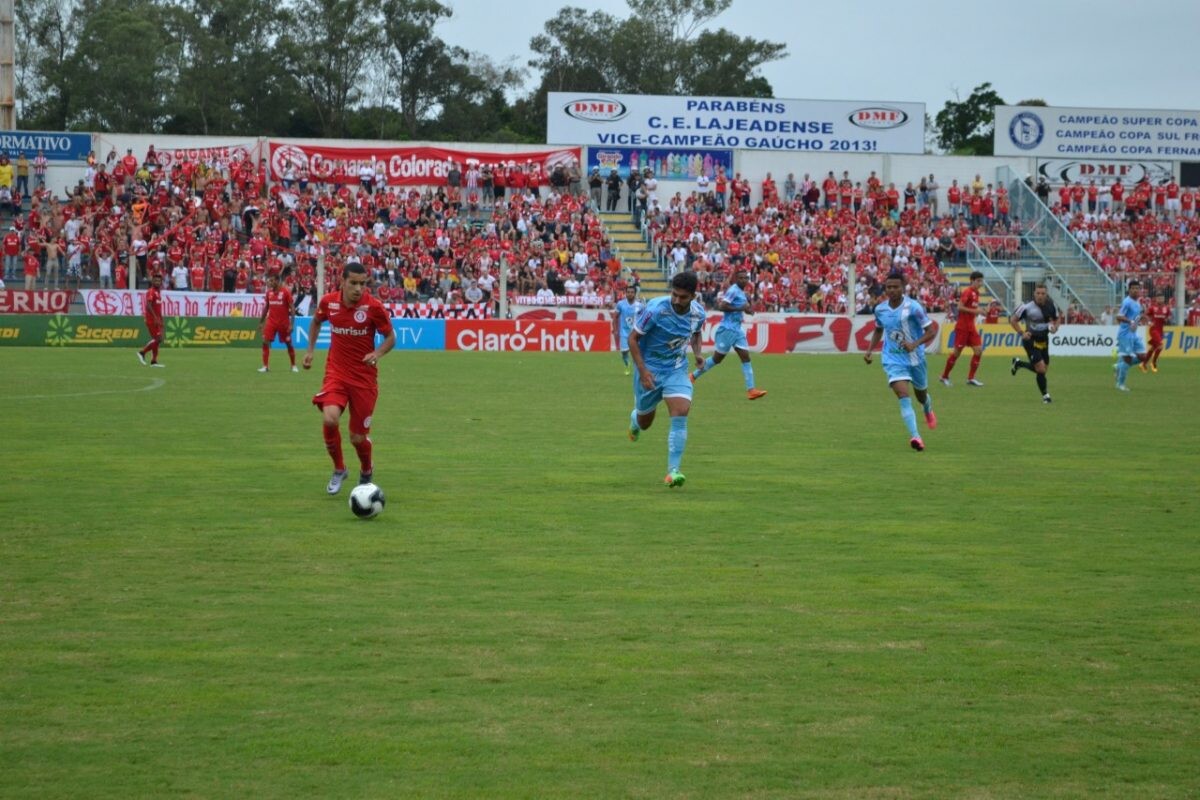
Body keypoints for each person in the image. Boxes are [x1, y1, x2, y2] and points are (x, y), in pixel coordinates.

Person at [302, 261, 395, 494]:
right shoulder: (328, 303)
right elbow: (315, 322)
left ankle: (366, 470)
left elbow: (390, 337)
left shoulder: (374, 308)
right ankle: (339, 468)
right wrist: (310, 351)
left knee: (357, 437)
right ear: (342, 281)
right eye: (353, 283)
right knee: (330, 419)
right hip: (336, 374)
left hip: (364, 380)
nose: (358, 288)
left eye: (362, 284)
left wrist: (377, 353)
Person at [627, 271, 706, 488]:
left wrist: (697, 353)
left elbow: (696, 333)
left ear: (693, 296)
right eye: (675, 295)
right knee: (645, 423)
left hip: (676, 369)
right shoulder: (655, 309)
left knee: (681, 411)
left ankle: (673, 471)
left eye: (683, 297)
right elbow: (632, 339)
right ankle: (635, 418)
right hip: (649, 371)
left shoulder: (698, 313)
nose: (677, 300)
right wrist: (643, 372)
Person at [863, 270, 938, 452]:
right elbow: (879, 330)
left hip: (915, 358)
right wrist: (870, 350)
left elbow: (931, 331)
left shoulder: (913, 308)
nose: (892, 290)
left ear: (903, 288)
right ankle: (916, 436)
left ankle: (927, 408)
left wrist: (914, 344)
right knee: (903, 395)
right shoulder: (880, 309)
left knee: (921, 396)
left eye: (896, 287)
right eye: (889, 287)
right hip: (892, 359)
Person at [690, 267, 767, 400]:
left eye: (746, 278)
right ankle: (693, 376)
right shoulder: (733, 291)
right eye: (741, 278)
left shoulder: (741, 292)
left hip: (737, 329)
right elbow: (722, 306)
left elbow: (741, 308)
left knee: (746, 357)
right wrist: (739, 308)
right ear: (736, 279)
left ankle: (751, 390)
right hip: (727, 329)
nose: (744, 280)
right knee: (716, 359)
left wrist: (748, 311)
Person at [1008, 284, 1061, 402]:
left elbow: (1057, 318)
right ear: (1034, 294)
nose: (1040, 296)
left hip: (1044, 341)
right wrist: (1022, 333)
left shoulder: (1051, 305)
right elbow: (1013, 320)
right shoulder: (1026, 307)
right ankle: (1045, 396)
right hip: (1030, 341)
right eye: (1038, 293)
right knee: (1041, 370)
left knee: (1043, 369)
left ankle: (1018, 363)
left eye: (1043, 293)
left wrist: (1055, 328)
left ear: (1046, 294)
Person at [940, 271, 986, 387]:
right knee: (956, 353)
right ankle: (944, 376)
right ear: (972, 281)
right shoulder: (968, 292)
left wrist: (981, 311)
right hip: (962, 327)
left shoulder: (977, 293)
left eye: (981, 281)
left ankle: (971, 378)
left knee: (979, 350)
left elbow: (972, 308)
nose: (980, 283)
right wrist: (976, 311)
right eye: (978, 281)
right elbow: (960, 307)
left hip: (971, 327)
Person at [258, 271, 297, 373]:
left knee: (289, 344)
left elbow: (292, 308)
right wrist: (261, 322)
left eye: (272, 281)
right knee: (265, 341)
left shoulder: (285, 292)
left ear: (277, 281)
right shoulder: (269, 293)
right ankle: (265, 366)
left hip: (283, 323)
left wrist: (292, 324)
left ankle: (293, 366)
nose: (270, 283)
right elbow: (266, 308)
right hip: (271, 322)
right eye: (270, 281)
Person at [1114, 280, 1150, 391]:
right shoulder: (1127, 302)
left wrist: (1143, 318)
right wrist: (1130, 322)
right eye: (1133, 288)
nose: (1135, 290)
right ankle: (1120, 384)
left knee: (1143, 357)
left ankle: (1119, 366)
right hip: (1125, 335)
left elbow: (1136, 317)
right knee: (1128, 359)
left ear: (1140, 290)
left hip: (1133, 335)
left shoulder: (1137, 303)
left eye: (1137, 288)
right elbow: (1119, 316)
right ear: (1129, 290)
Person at [137, 272, 166, 368]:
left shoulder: (158, 292)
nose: (157, 282)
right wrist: (155, 318)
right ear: (152, 281)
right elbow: (148, 305)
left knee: (157, 340)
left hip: (156, 320)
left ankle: (154, 361)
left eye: (159, 281)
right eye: (156, 280)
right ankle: (142, 352)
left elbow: (158, 308)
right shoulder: (151, 291)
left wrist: (161, 320)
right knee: (158, 339)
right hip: (151, 319)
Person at [612, 285, 642, 375]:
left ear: (635, 294)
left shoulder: (640, 306)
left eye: (632, 292)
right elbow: (615, 317)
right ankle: (627, 364)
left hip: (636, 333)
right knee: (624, 352)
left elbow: (644, 319)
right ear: (625, 293)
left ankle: (637, 369)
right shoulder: (621, 304)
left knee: (636, 352)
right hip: (624, 333)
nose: (630, 294)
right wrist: (615, 329)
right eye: (628, 292)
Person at [1145, 292, 1172, 373]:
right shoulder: (1152, 307)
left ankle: (1143, 363)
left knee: (1153, 347)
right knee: (1160, 346)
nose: (1160, 300)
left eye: (1162, 298)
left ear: (1164, 299)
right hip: (1153, 329)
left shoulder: (1166, 308)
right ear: (1156, 299)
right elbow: (1145, 315)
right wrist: (1149, 321)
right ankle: (1153, 363)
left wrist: (1167, 320)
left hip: (1160, 330)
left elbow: (1168, 317)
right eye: (1159, 298)